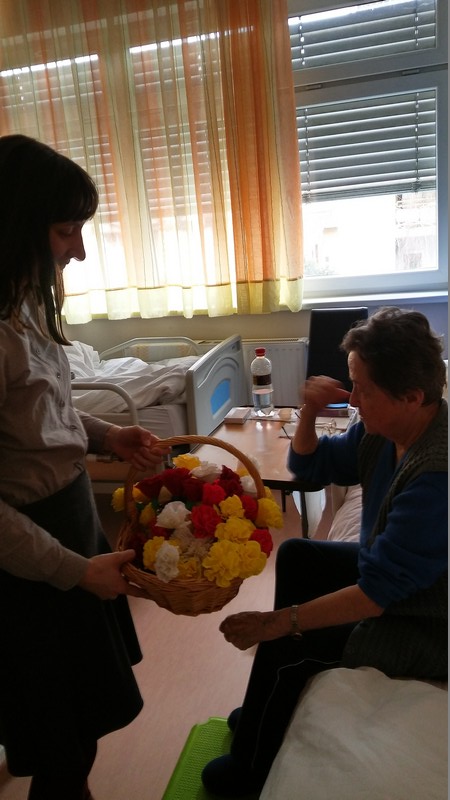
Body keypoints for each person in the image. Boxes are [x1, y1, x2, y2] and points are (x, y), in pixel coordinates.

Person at [202, 306, 448, 798]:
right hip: (397, 583)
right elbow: (312, 468)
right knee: (298, 555)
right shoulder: (387, 432)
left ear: (412, 397)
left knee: (292, 644)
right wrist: (310, 412)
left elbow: (374, 596)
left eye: (363, 390)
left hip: (429, 620)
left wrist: (277, 623)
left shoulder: (437, 476)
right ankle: (264, 703)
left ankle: (250, 771)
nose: (352, 400)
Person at [0, 134, 170, 800]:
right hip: (31, 561)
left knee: (83, 718)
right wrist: (74, 571)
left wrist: (107, 435)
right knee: (62, 744)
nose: (79, 249)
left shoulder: (26, 303)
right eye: (65, 230)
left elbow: (43, 413)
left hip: (72, 524)